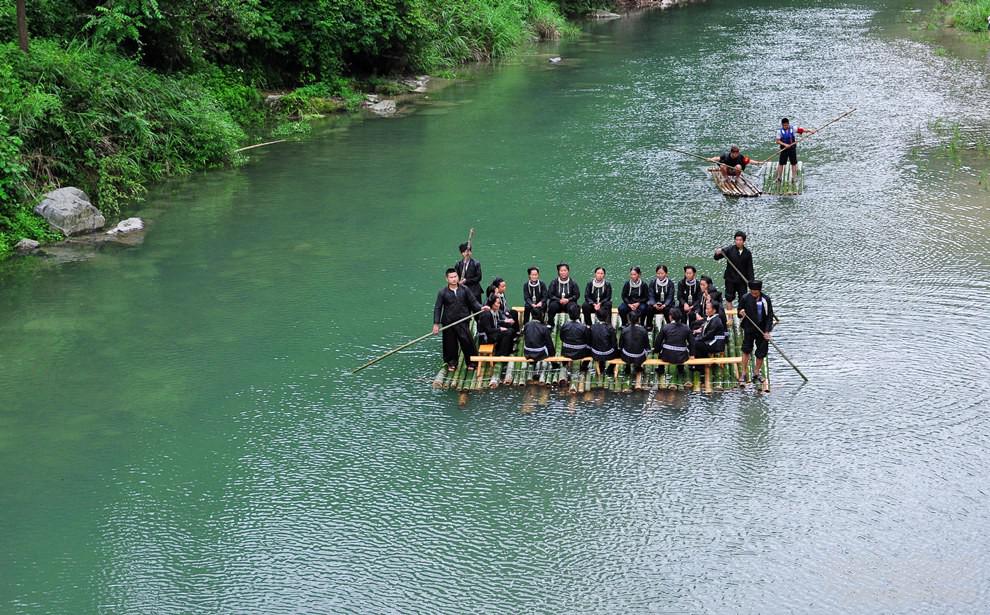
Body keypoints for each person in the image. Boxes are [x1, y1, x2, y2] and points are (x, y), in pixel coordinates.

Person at [433, 268, 489, 372]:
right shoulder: (442, 292)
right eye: (451, 277)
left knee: (466, 341)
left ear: (458, 277)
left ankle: (471, 362)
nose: (454, 279)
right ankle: (451, 363)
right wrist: (436, 324)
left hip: (463, 320)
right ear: (447, 279)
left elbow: (473, 302)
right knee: (450, 343)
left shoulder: (465, 289)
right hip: (448, 322)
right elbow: (438, 308)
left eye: (455, 277)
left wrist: (481, 308)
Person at [737, 280, 775, 385]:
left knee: (761, 352)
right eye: (752, 292)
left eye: (756, 293)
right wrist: (741, 313)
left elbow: (770, 316)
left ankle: (756, 372)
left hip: (762, 330)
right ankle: (744, 373)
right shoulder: (745, 298)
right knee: (746, 350)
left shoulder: (766, 299)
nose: (754, 294)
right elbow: (739, 311)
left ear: (760, 290)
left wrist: (767, 331)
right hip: (749, 328)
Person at [714, 231, 754, 310]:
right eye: (736, 240)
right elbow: (716, 258)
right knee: (729, 298)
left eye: (740, 240)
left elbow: (750, 269)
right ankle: (730, 318)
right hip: (730, 278)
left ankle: (742, 318)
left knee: (743, 298)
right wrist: (717, 253)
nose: (738, 242)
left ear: (743, 241)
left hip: (742, 280)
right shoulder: (729, 249)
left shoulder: (747, 253)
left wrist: (751, 282)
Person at [654, 308, 692, 376]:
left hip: (666, 356)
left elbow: (658, 342)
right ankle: (680, 369)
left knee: (661, 351)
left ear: (670, 317)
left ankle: (661, 369)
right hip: (682, 357)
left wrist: (656, 351)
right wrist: (692, 354)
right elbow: (692, 343)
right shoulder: (686, 328)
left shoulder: (665, 327)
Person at [774, 117, 815, 182]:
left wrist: (809, 131)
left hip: (792, 149)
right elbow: (777, 141)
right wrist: (785, 145)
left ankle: (794, 177)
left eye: (786, 125)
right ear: (782, 125)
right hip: (784, 149)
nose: (785, 126)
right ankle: (779, 177)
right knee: (781, 163)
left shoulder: (793, 128)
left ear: (788, 124)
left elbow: (801, 130)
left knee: (793, 163)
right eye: (784, 125)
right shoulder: (779, 131)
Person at [589, 307, 618, 377]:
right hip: (608, 354)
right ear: (607, 317)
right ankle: (610, 369)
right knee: (618, 353)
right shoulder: (610, 328)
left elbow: (590, 341)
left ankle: (601, 366)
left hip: (595, 353)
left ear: (597, 316)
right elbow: (614, 343)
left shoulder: (592, 327)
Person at [647, 264, 675, 331]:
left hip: (666, 304)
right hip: (656, 304)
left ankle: (669, 325)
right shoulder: (653, 282)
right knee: (649, 308)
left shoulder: (670, 283)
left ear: (666, 273)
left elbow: (670, 296)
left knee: (668, 309)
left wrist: (665, 304)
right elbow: (651, 295)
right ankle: (649, 325)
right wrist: (654, 304)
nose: (660, 275)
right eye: (658, 273)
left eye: (662, 273)